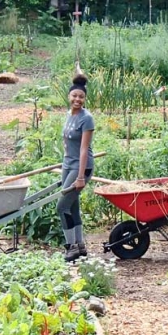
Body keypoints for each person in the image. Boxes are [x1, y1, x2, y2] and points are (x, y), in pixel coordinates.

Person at [57, 66, 95, 262]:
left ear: (85, 98)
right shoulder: (69, 114)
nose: (77, 100)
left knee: (61, 207)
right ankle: (80, 246)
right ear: (69, 95)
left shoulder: (86, 119)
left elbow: (83, 149)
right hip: (68, 165)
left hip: (82, 166)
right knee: (73, 207)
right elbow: (67, 143)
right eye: (74, 96)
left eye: (81, 97)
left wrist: (81, 177)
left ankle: (70, 247)